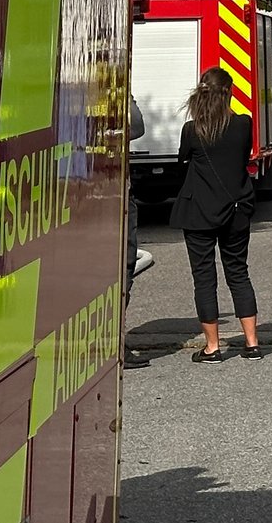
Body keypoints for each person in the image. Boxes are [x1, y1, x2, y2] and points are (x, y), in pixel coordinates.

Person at [169, 68, 263, 361]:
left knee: (204, 277)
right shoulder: (243, 125)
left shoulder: (192, 130)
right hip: (236, 210)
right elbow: (243, 156)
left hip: (199, 212)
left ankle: (213, 347)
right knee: (238, 272)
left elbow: (183, 158)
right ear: (229, 93)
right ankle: (252, 344)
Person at [124, 94, 149, 368]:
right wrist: (128, 95)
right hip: (115, 193)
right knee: (124, 266)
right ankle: (113, 343)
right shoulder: (112, 91)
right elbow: (137, 125)